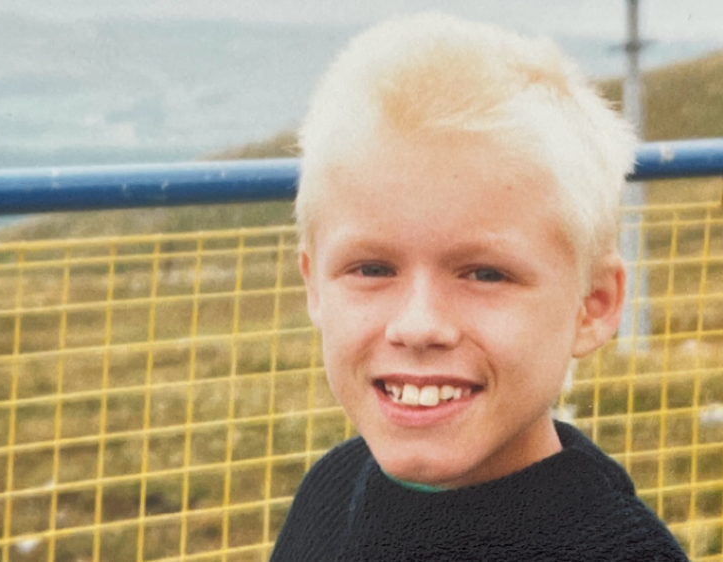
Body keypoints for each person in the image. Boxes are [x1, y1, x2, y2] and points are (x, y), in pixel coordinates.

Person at [270, 12, 689, 562]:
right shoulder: (330, 490)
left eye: (486, 274)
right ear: (314, 286)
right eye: (372, 269)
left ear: (594, 304)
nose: (419, 325)